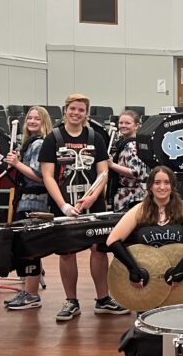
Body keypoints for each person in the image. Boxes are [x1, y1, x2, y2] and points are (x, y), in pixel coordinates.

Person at [40, 93, 128, 322]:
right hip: (64, 203)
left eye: (81, 110)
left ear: (86, 113)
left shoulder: (95, 137)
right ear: (66, 110)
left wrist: (92, 197)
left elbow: (103, 172)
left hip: (93, 203)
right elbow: (48, 176)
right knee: (67, 253)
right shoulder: (53, 138)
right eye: (73, 109)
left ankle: (103, 299)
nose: (76, 113)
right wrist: (63, 205)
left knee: (98, 250)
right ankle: (71, 300)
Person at [105, 165, 183, 290]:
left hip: (174, 279)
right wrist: (133, 269)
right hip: (148, 278)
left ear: (172, 186)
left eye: (167, 182)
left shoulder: (181, 209)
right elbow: (112, 240)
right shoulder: (140, 209)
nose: (162, 187)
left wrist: (181, 268)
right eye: (157, 183)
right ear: (150, 186)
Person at [4, 105, 53, 311]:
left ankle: (31, 295)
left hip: (34, 200)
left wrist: (16, 163)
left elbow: (39, 176)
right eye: (30, 118)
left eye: (37, 119)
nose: (32, 121)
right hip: (26, 199)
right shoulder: (29, 143)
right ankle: (28, 290)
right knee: (28, 247)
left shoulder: (39, 144)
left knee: (30, 248)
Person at [108, 110, 149, 213]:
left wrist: (111, 165)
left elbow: (135, 172)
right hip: (125, 195)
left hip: (132, 197)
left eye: (127, 123)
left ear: (136, 126)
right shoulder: (123, 143)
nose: (123, 125)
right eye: (121, 123)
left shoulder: (133, 146)